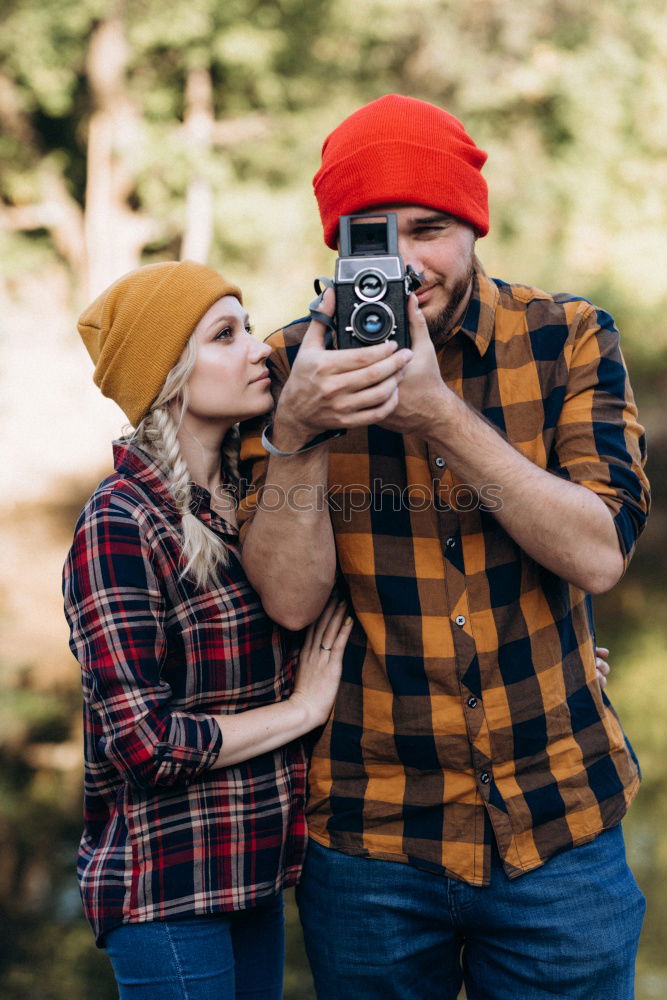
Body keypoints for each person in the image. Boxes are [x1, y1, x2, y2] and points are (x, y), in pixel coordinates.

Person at [237, 96, 650, 1000]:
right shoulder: (285, 369)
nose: (405, 261)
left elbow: (598, 554)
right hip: (368, 837)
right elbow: (290, 604)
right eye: (371, 235)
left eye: (428, 229)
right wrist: (297, 435)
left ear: (472, 224)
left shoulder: (567, 337)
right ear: (336, 250)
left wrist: (438, 417)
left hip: (559, 819)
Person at [62, 260, 353, 1000]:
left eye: (249, 326)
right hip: (165, 889)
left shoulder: (251, 502)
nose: (260, 349)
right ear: (169, 376)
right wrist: (300, 713)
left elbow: (335, 629)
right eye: (226, 335)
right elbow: (143, 744)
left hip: (251, 873)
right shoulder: (120, 523)